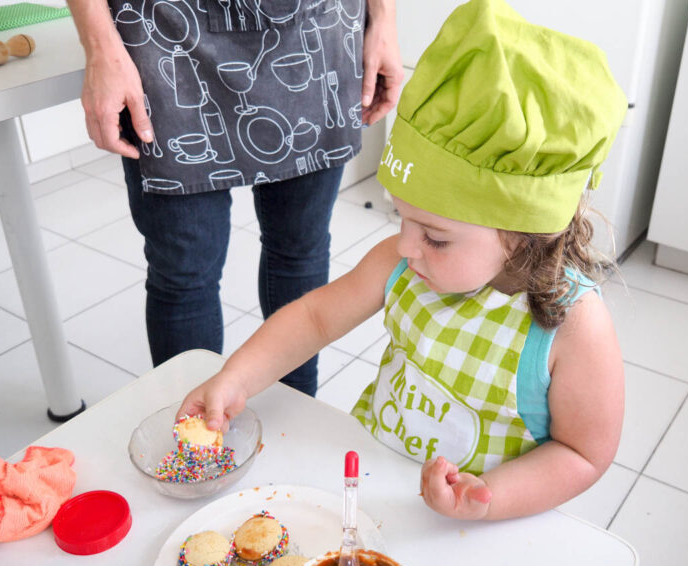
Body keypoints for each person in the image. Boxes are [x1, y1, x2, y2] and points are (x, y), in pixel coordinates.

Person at [177, 0, 626, 520]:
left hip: (485, 525)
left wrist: (484, 501)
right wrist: (236, 378)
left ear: (523, 235)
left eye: (435, 237)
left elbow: (583, 454)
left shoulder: (572, 327)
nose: (407, 246)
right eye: (401, 219)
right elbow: (314, 317)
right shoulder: (402, 261)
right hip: (371, 485)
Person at [66, 0, 403, 396]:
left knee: (299, 250)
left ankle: (292, 414)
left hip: (314, 28)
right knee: (183, 273)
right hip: (165, 33)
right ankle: (194, 440)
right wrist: (100, 46)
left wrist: (383, 17)